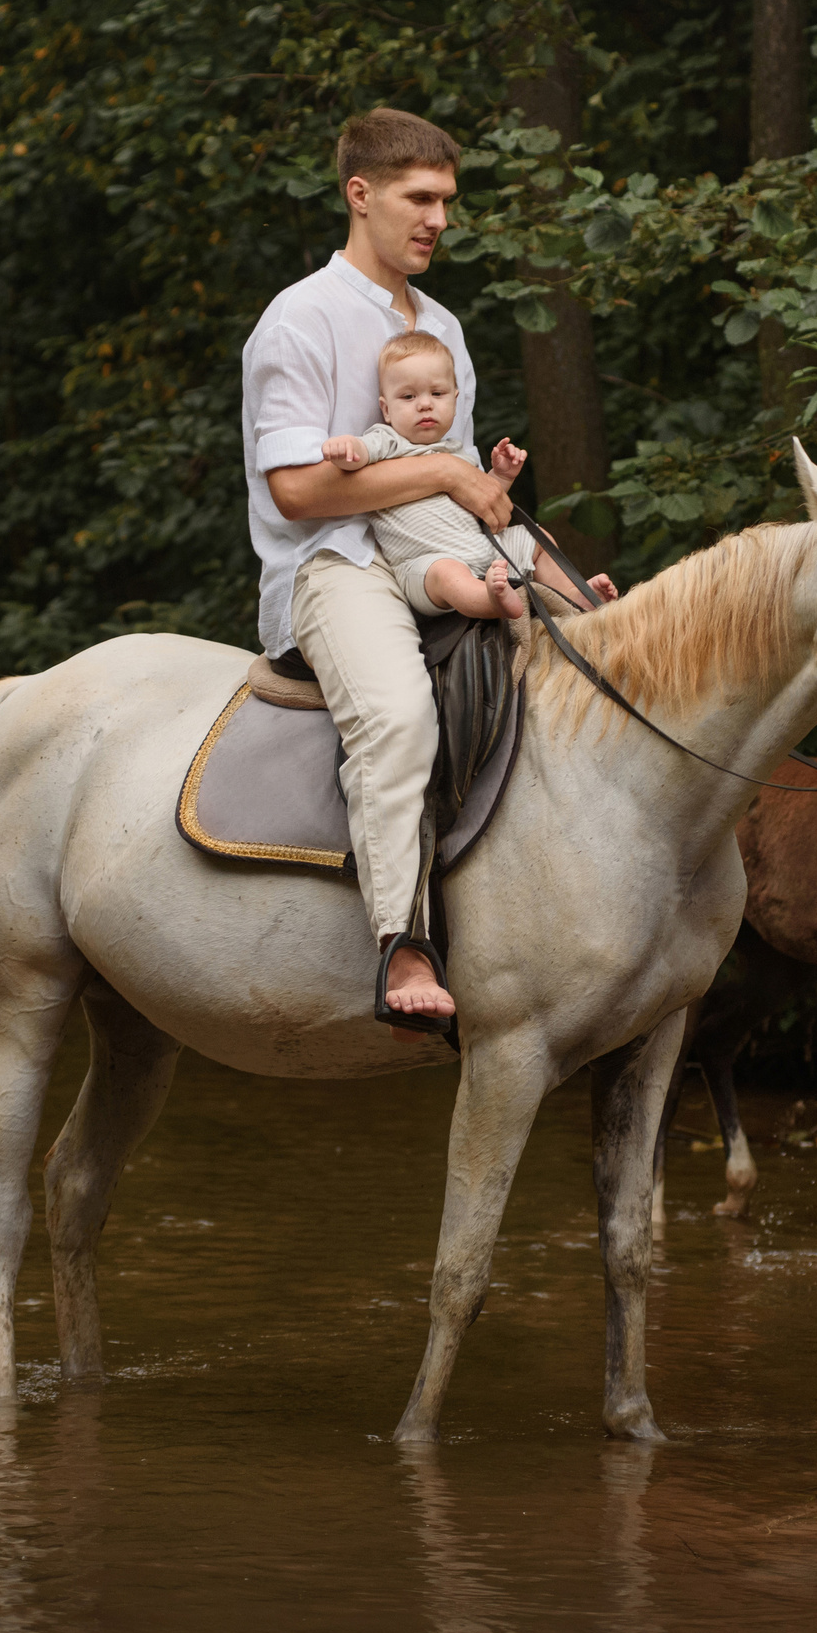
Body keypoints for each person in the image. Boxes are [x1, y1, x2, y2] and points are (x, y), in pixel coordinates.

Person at [241, 108, 613, 1036]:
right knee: (401, 717)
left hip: (440, 549)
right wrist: (450, 469)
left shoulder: (441, 324)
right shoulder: (300, 316)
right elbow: (293, 488)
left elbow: (451, 478)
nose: (439, 217)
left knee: (598, 655)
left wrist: (487, 502)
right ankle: (400, 938)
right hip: (337, 567)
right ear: (359, 195)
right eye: (421, 197)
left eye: (448, 199)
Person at [319, 331, 615, 620]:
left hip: (483, 548)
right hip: (425, 563)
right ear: (386, 409)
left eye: (437, 393)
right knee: (449, 575)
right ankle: (490, 602)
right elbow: (360, 456)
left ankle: (571, 595)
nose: (424, 404)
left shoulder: (456, 453)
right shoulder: (389, 441)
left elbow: (482, 505)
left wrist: (501, 475)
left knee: (536, 538)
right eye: (408, 396)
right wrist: (345, 449)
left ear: (455, 399)